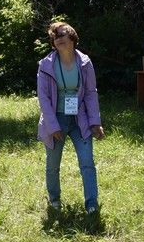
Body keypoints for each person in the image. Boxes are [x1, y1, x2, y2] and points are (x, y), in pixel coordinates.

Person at [36, 22, 104, 213]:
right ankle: (54, 199)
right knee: (52, 164)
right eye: (55, 36)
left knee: (87, 163)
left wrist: (95, 122)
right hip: (56, 119)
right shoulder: (45, 65)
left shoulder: (85, 62)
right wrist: (53, 126)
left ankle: (91, 204)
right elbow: (44, 98)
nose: (58, 39)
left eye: (62, 34)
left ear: (72, 38)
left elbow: (91, 93)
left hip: (80, 120)